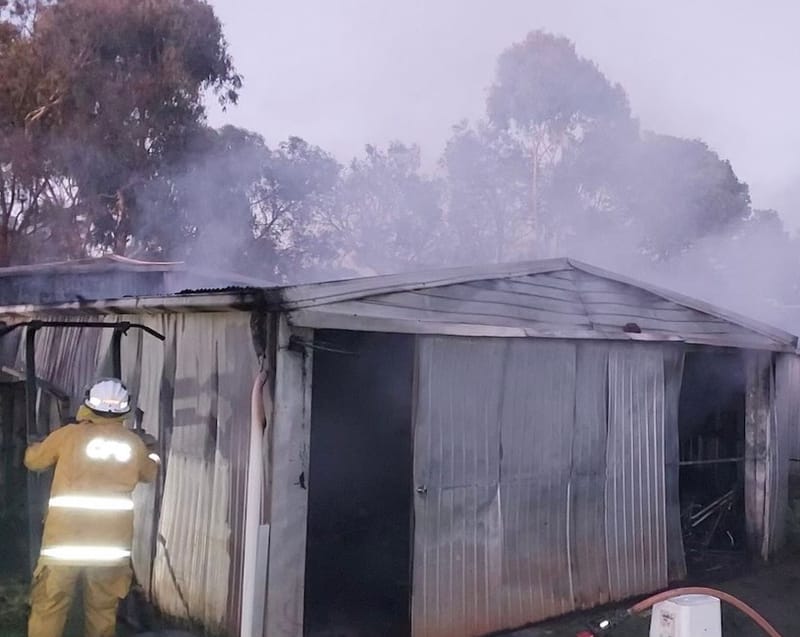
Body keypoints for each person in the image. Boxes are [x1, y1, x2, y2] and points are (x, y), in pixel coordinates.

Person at [24, 378, 160, 637]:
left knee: (50, 606)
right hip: (109, 550)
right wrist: (152, 453)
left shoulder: (69, 436)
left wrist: (35, 444)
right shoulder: (133, 443)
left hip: (63, 546)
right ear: (125, 408)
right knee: (102, 612)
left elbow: (34, 461)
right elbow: (150, 473)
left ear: (88, 404)